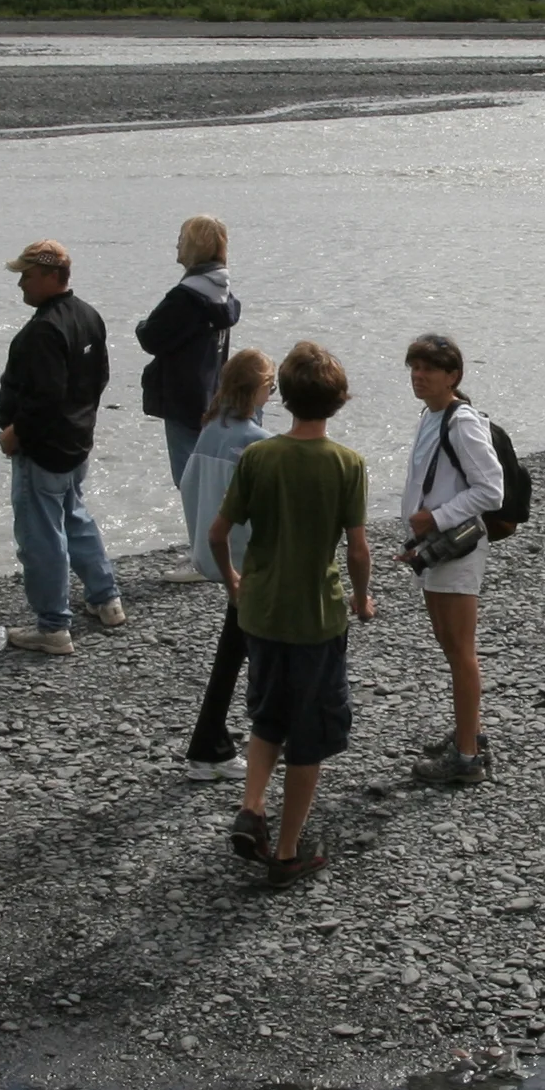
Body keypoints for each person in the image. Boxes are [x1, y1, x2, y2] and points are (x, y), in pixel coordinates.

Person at [208, 340, 374, 881]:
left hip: (262, 611)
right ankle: (285, 852)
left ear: (285, 399)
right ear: (340, 400)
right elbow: (355, 548)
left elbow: (218, 533)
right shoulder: (347, 464)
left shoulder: (259, 456)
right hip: (315, 618)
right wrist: (363, 596)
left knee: (267, 715)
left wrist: (234, 580)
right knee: (310, 736)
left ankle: (252, 806)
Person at [0, 238, 123, 655]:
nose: (21, 286)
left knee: (41, 536)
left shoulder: (43, 330)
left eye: (26, 277)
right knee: (75, 516)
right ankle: (106, 599)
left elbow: (43, 399)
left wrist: (15, 434)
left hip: (44, 447)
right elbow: (99, 378)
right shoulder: (89, 316)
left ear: (53, 276)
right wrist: (82, 420)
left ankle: (53, 626)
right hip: (76, 440)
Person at [399, 333, 505, 787]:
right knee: (448, 643)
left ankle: (466, 758)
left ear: (453, 376)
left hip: (456, 548)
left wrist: (436, 517)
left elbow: (491, 490)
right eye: (414, 368)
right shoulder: (432, 414)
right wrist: (415, 533)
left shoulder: (461, 421)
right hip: (433, 548)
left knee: (461, 651)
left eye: (429, 369)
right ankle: (469, 732)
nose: (418, 377)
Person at [176, 347, 275, 772]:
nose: (273, 392)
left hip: (217, 556)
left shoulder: (212, 428)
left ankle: (211, 742)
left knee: (235, 649)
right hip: (251, 562)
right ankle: (241, 741)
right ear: (256, 390)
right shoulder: (255, 442)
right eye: (270, 386)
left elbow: (188, 485)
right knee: (261, 654)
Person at [135, 215, 241, 483]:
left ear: (195, 246)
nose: (176, 246)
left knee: (189, 480)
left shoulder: (186, 297)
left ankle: (201, 525)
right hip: (211, 394)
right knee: (209, 480)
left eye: (181, 240)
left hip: (184, 399)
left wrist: (141, 325)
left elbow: (151, 337)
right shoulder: (222, 291)